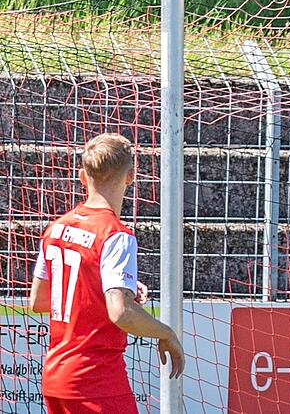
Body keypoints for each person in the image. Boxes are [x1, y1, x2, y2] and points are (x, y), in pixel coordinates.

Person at [29, 133, 185, 414]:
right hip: (97, 381)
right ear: (130, 177)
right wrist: (166, 332)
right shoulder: (116, 235)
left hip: (56, 379)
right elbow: (121, 313)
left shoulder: (55, 228)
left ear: (81, 176)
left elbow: (39, 301)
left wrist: (108, 284)